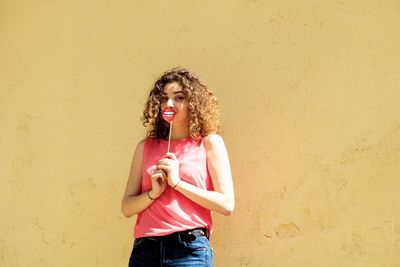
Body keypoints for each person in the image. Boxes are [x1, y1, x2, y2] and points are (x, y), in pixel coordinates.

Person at [121, 67, 235, 267]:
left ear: (193, 102)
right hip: (146, 249)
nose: (169, 103)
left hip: (189, 248)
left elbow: (226, 205)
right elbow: (127, 208)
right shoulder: (145, 147)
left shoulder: (209, 143)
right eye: (164, 98)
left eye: (179, 97)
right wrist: (153, 194)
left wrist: (177, 183)